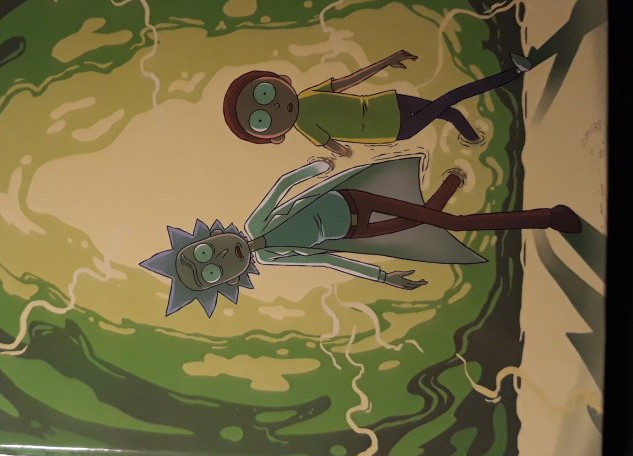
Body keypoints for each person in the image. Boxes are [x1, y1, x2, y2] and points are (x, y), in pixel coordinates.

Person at [141, 156, 581, 317]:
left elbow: (282, 186)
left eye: (204, 252)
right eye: (211, 272)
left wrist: (314, 169)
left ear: (206, 236)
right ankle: (449, 185)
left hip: (352, 199)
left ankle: (547, 217)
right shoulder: (272, 258)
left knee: (450, 223)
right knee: (423, 225)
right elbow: (327, 259)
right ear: (226, 282)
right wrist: (384, 278)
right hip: (355, 229)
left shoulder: (256, 225)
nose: (219, 257)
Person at [223, 51, 531, 155]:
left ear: (282, 80)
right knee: (450, 102)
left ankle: (473, 138)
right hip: (392, 126)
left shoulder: (308, 96)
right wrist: (343, 152)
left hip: (388, 103)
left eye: (266, 94)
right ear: (276, 137)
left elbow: (349, 81)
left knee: (449, 110)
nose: (275, 107)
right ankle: (513, 73)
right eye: (262, 120)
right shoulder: (305, 126)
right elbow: (336, 147)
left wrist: (386, 61)